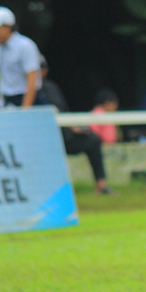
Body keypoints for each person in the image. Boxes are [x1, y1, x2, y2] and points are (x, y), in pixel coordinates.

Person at [38, 58, 112, 195]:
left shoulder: (51, 88)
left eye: (40, 69)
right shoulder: (24, 90)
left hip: (64, 136)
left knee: (94, 140)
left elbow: (63, 112)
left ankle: (101, 186)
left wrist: (73, 128)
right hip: (41, 139)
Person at [0, 6, 45, 108]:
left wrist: (26, 109)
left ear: (8, 26)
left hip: (27, 100)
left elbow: (32, 79)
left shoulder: (25, 46)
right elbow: (3, 77)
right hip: (9, 101)